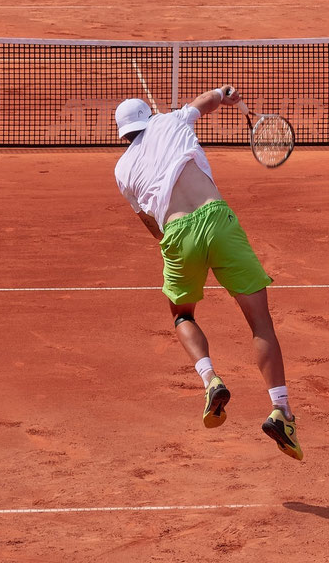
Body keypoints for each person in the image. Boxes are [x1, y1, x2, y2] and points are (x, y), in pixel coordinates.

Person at [113, 89, 304, 461]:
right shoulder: (169, 120)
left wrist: (175, 247)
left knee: (182, 315)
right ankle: (281, 409)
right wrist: (224, 94)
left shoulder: (121, 171)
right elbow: (205, 102)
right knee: (260, 323)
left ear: (123, 134)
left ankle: (210, 378)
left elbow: (151, 224)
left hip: (177, 234)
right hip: (218, 219)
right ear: (149, 119)